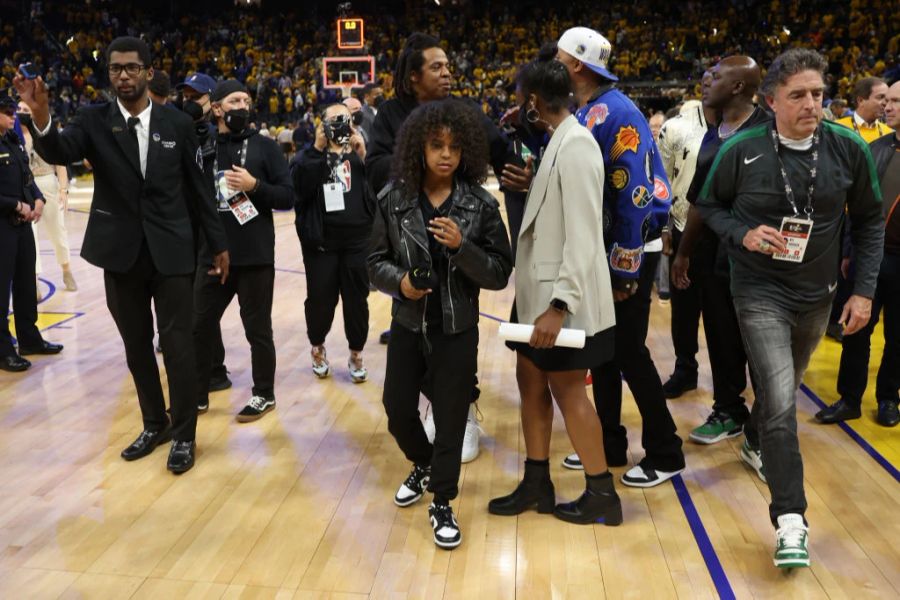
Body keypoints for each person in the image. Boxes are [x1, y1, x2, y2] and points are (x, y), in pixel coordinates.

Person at [697, 48, 883, 568]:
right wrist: (744, 232)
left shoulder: (848, 147)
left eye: (818, 94)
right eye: (798, 95)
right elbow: (709, 207)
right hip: (757, 291)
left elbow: (869, 221)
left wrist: (863, 292)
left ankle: (755, 436)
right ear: (771, 99)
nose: (810, 104)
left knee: (779, 396)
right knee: (782, 402)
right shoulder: (741, 149)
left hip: (817, 295)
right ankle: (791, 521)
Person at [14, 37, 230, 474]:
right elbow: (60, 150)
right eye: (116, 69)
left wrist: (219, 243)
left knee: (178, 347)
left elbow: (198, 188)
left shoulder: (178, 123)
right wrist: (40, 116)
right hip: (121, 254)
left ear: (148, 72)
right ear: (109, 74)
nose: (124, 75)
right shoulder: (94, 120)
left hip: (172, 250)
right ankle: (155, 423)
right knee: (136, 346)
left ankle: (185, 434)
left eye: (132, 68)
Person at [366, 32, 525, 462]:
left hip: (459, 219)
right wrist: (416, 174)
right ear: (413, 76)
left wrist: (521, 169)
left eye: (449, 66)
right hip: (410, 224)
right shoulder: (391, 115)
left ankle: (460, 407)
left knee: (455, 331)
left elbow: (500, 149)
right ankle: (436, 411)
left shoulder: (466, 111)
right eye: (437, 67)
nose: (447, 72)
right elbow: (376, 166)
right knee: (417, 328)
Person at [367, 99, 512, 549]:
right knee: (397, 411)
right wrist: (402, 284)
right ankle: (425, 463)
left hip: (458, 329)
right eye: (436, 145)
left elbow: (499, 271)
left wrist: (463, 247)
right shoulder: (393, 199)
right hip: (408, 324)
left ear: (467, 150)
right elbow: (374, 263)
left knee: (450, 419)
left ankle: (442, 501)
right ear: (419, 148)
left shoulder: (481, 204)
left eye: (454, 146)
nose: (446, 154)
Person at [488, 60, 621, 526]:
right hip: (536, 295)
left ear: (531, 102)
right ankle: (537, 481)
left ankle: (602, 491)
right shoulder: (558, 141)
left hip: (560, 302)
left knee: (569, 392)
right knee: (530, 382)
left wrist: (560, 306)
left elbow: (584, 235)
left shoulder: (578, 144)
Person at [553, 27, 685, 488]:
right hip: (608, 251)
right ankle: (608, 442)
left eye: (558, 56)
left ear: (575, 65)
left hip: (627, 251)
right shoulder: (590, 109)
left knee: (628, 352)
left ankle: (666, 452)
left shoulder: (617, 112)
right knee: (604, 351)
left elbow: (634, 195)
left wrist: (623, 270)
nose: (554, 63)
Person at [670, 56, 768, 445]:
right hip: (713, 254)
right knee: (721, 335)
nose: (705, 82)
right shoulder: (717, 131)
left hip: (756, 257)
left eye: (715, 77)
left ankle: (766, 422)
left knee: (757, 341)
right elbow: (700, 198)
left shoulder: (767, 129)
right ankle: (729, 409)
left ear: (740, 86)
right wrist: (684, 252)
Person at [193, 80, 294, 422]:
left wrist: (256, 186)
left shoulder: (266, 148)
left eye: (247, 100)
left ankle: (263, 394)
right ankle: (200, 389)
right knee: (199, 323)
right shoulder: (202, 146)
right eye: (234, 100)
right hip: (212, 254)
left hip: (255, 256)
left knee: (257, 329)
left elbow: (287, 196)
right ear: (217, 108)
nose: (242, 105)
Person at [816, 80, 900, 428]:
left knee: (898, 335)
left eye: (895, 101)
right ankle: (849, 398)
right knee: (855, 328)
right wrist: (849, 250)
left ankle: (888, 398)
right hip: (871, 255)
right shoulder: (876, 148)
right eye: (887, 100)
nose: (887, 106)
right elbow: (859, 208)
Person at [293, 102, 372, 383]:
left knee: (357, 302)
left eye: (346, 119)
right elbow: (299, 189)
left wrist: (364, 156)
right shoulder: (309, 154)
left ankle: (356, 353)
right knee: (320, 300)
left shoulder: (362, 152)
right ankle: (317, 346)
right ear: (322, 124)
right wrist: (317, 147)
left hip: (357, 242)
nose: (341, 124)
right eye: (335, 119)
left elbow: (379, 191)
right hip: (321, 244)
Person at [175, 72, 234, 392]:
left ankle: (214, 370)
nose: (188, 102)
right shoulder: (180, 132)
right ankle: (210, 368)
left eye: (195, 97)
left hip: (209, 230)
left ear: (212, 104)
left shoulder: (217, 137)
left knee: (203, 305)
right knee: (194, 303)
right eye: (185, 95)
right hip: (183, 228)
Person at [0, 91, 63, 372]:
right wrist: (16, 204)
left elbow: (27, 176)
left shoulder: (13, 140)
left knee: (26, 284)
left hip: (22, 224)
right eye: (7, 110)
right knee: (2, 291)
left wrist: (37, 199)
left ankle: (29, 338)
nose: (13, 114)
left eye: (13, 109)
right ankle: (3, 350)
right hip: (2, 225)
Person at [658, 97, 709, 398]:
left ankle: (730, 385)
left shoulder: (747, 125)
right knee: (684, 310)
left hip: (727, 232)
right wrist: (664, 228)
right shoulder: (677, 128)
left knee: (724, 312)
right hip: (682, 226)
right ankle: (685, 369)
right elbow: (662, 182)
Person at [17, 100, 77, 293]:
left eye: (25, 109)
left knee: (57, 232)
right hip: (25, 187)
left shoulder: (44, 132)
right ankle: (33, 281)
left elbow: (60, 163)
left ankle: (66, 269)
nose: (21, 112)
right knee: (29, 238)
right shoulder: (12, 135)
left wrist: (63, 189)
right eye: (18, 109)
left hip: (47, 182)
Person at [835, 77, 892, 142]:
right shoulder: (838, 129)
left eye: (886, 99)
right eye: (880, 97)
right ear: (860, 100)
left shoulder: (889, 132)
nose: (885, 103)